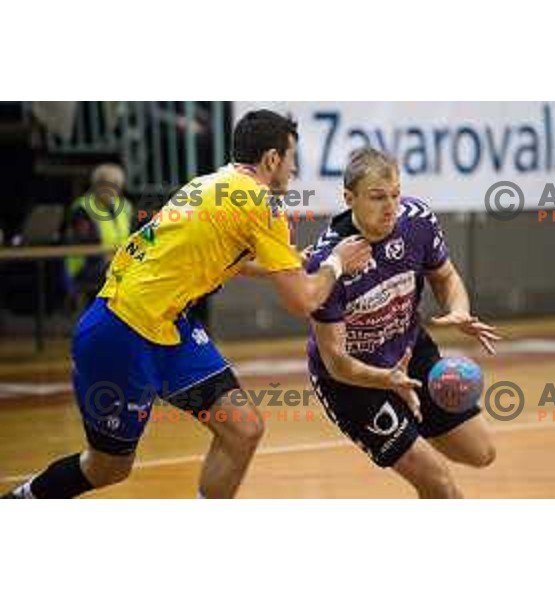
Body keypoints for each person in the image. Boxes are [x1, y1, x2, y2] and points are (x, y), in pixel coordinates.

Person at [2, 110, 372, 499]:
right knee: (107, 467)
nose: (295, 169)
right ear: (272, 159)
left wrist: (286, 264)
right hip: (121, 330)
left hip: (168, 328)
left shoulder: (211, 183)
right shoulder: (261, 204)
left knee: (242, 427)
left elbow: (221, 257)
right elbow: (303, 301)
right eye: (292, 158)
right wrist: (336, 263)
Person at [306, 148, 501, 499]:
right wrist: (386, 381)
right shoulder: (326, 262)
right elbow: (334, 360)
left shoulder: (417, 221)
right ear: (349, 198)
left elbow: (445, 277)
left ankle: (409, 436)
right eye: (377, 197)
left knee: (482, 452)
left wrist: (458, 308)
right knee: (439, 483)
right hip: (351, 383)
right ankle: (405, 443)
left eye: (395, 194)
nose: (390, 206)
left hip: (410, 353)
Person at [64, 163, 134, 307]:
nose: (111, 189)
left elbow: (135, 236)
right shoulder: (82, 208)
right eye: (106, 184)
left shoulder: (125, 206)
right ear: (96, 185)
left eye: (116, 184)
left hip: (117, 264)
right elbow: (83, 243)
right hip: (87, 267)